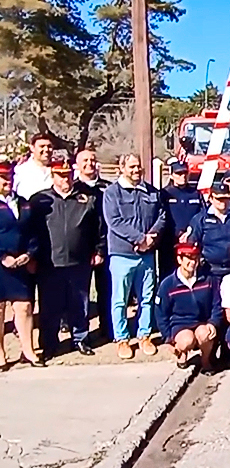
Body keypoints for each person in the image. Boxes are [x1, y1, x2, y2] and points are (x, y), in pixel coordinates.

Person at [32, 160, 104, 359]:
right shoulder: (40, 200)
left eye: (68, 175)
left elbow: (97, 228)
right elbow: (32, 232)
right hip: (50, 263)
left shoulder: (86, 199)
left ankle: (80, 339)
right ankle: (49, 344)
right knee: (49, 306)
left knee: (79, 303)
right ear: (53, 176)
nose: (65, 179)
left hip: (79, 261)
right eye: (61, 175)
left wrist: (98, 250)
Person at [104, 153, 165, 360]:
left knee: (147, 298)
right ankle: (122, 339)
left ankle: (144, 335)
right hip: (122, 254)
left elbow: (161, 216)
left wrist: (151, 238)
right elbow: (114, 221)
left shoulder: (151, 191)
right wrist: (140, 238)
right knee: (120, 300)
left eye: (138, 167)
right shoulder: (112, 193)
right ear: (121, 168)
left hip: (147, 255)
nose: (136, 170)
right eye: (131, 167)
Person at [0, 160, 44, 368]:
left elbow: (33, 232)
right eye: (2, 177)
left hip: (21, 263)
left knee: (25, 306)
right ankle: (0, 354)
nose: (6, 181)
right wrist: (2, 257)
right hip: (1, 263)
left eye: (9, 177)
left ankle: (29, 350)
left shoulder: (24, 202)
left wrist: (29, 253)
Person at [155, 242, 218, 374]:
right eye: (188, 258)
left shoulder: (208, 280)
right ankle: (181, 353)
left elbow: (216, 303)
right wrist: (168, 338)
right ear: (179, 259)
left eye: (195, 258)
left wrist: (213, 322)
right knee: (187, 340)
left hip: (201, 322)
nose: (192, 262)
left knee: (205, 334)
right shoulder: (168, 284)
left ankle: (205, 361)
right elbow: (161, 313)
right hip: (180, 325)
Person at [75, 148, 113, 340]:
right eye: (85, 160)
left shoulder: (108, 187)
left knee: (106, 290)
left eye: (92, 160)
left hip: (105, 247)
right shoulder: (74, 189)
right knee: (80, 294)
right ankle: (81, 334)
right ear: (77, 164)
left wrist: (101, 249)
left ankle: (108, 329)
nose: (89, 163)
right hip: (81, 249)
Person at [186, 183, 230, 282]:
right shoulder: (200, 220)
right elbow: (192, 245)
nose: (223, 202)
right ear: (211, 199)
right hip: (209, 272)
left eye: (225, 198)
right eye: (219, 199)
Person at [159, 160, 203, 278]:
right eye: (179, 173)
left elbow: (202, 215)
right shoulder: (164, 193)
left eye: (184, 173)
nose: (182, 176)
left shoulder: (195, 194)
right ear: (172, 175)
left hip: (190, 241)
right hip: (169, 242)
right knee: (168, 275)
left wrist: (190, 231)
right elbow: (159, 216)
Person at [13, 133, 53, 199]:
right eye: (42, 146)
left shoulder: (57, 171)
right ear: (32, 148)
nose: (46, 149)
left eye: (49, 146)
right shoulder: (21, 170)